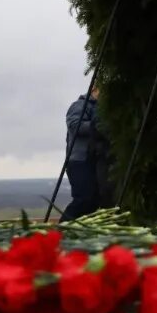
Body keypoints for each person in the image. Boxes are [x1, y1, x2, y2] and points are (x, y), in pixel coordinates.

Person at [62, 84, 107, 221]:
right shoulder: (80, 105)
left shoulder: (100, 108)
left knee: (93, 201)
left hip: (92, 159)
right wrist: (98, 126)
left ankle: (77, 231)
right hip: (79, 160)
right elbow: (76, 126)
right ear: (94, 89)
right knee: (84, 199)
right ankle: (62, 230)